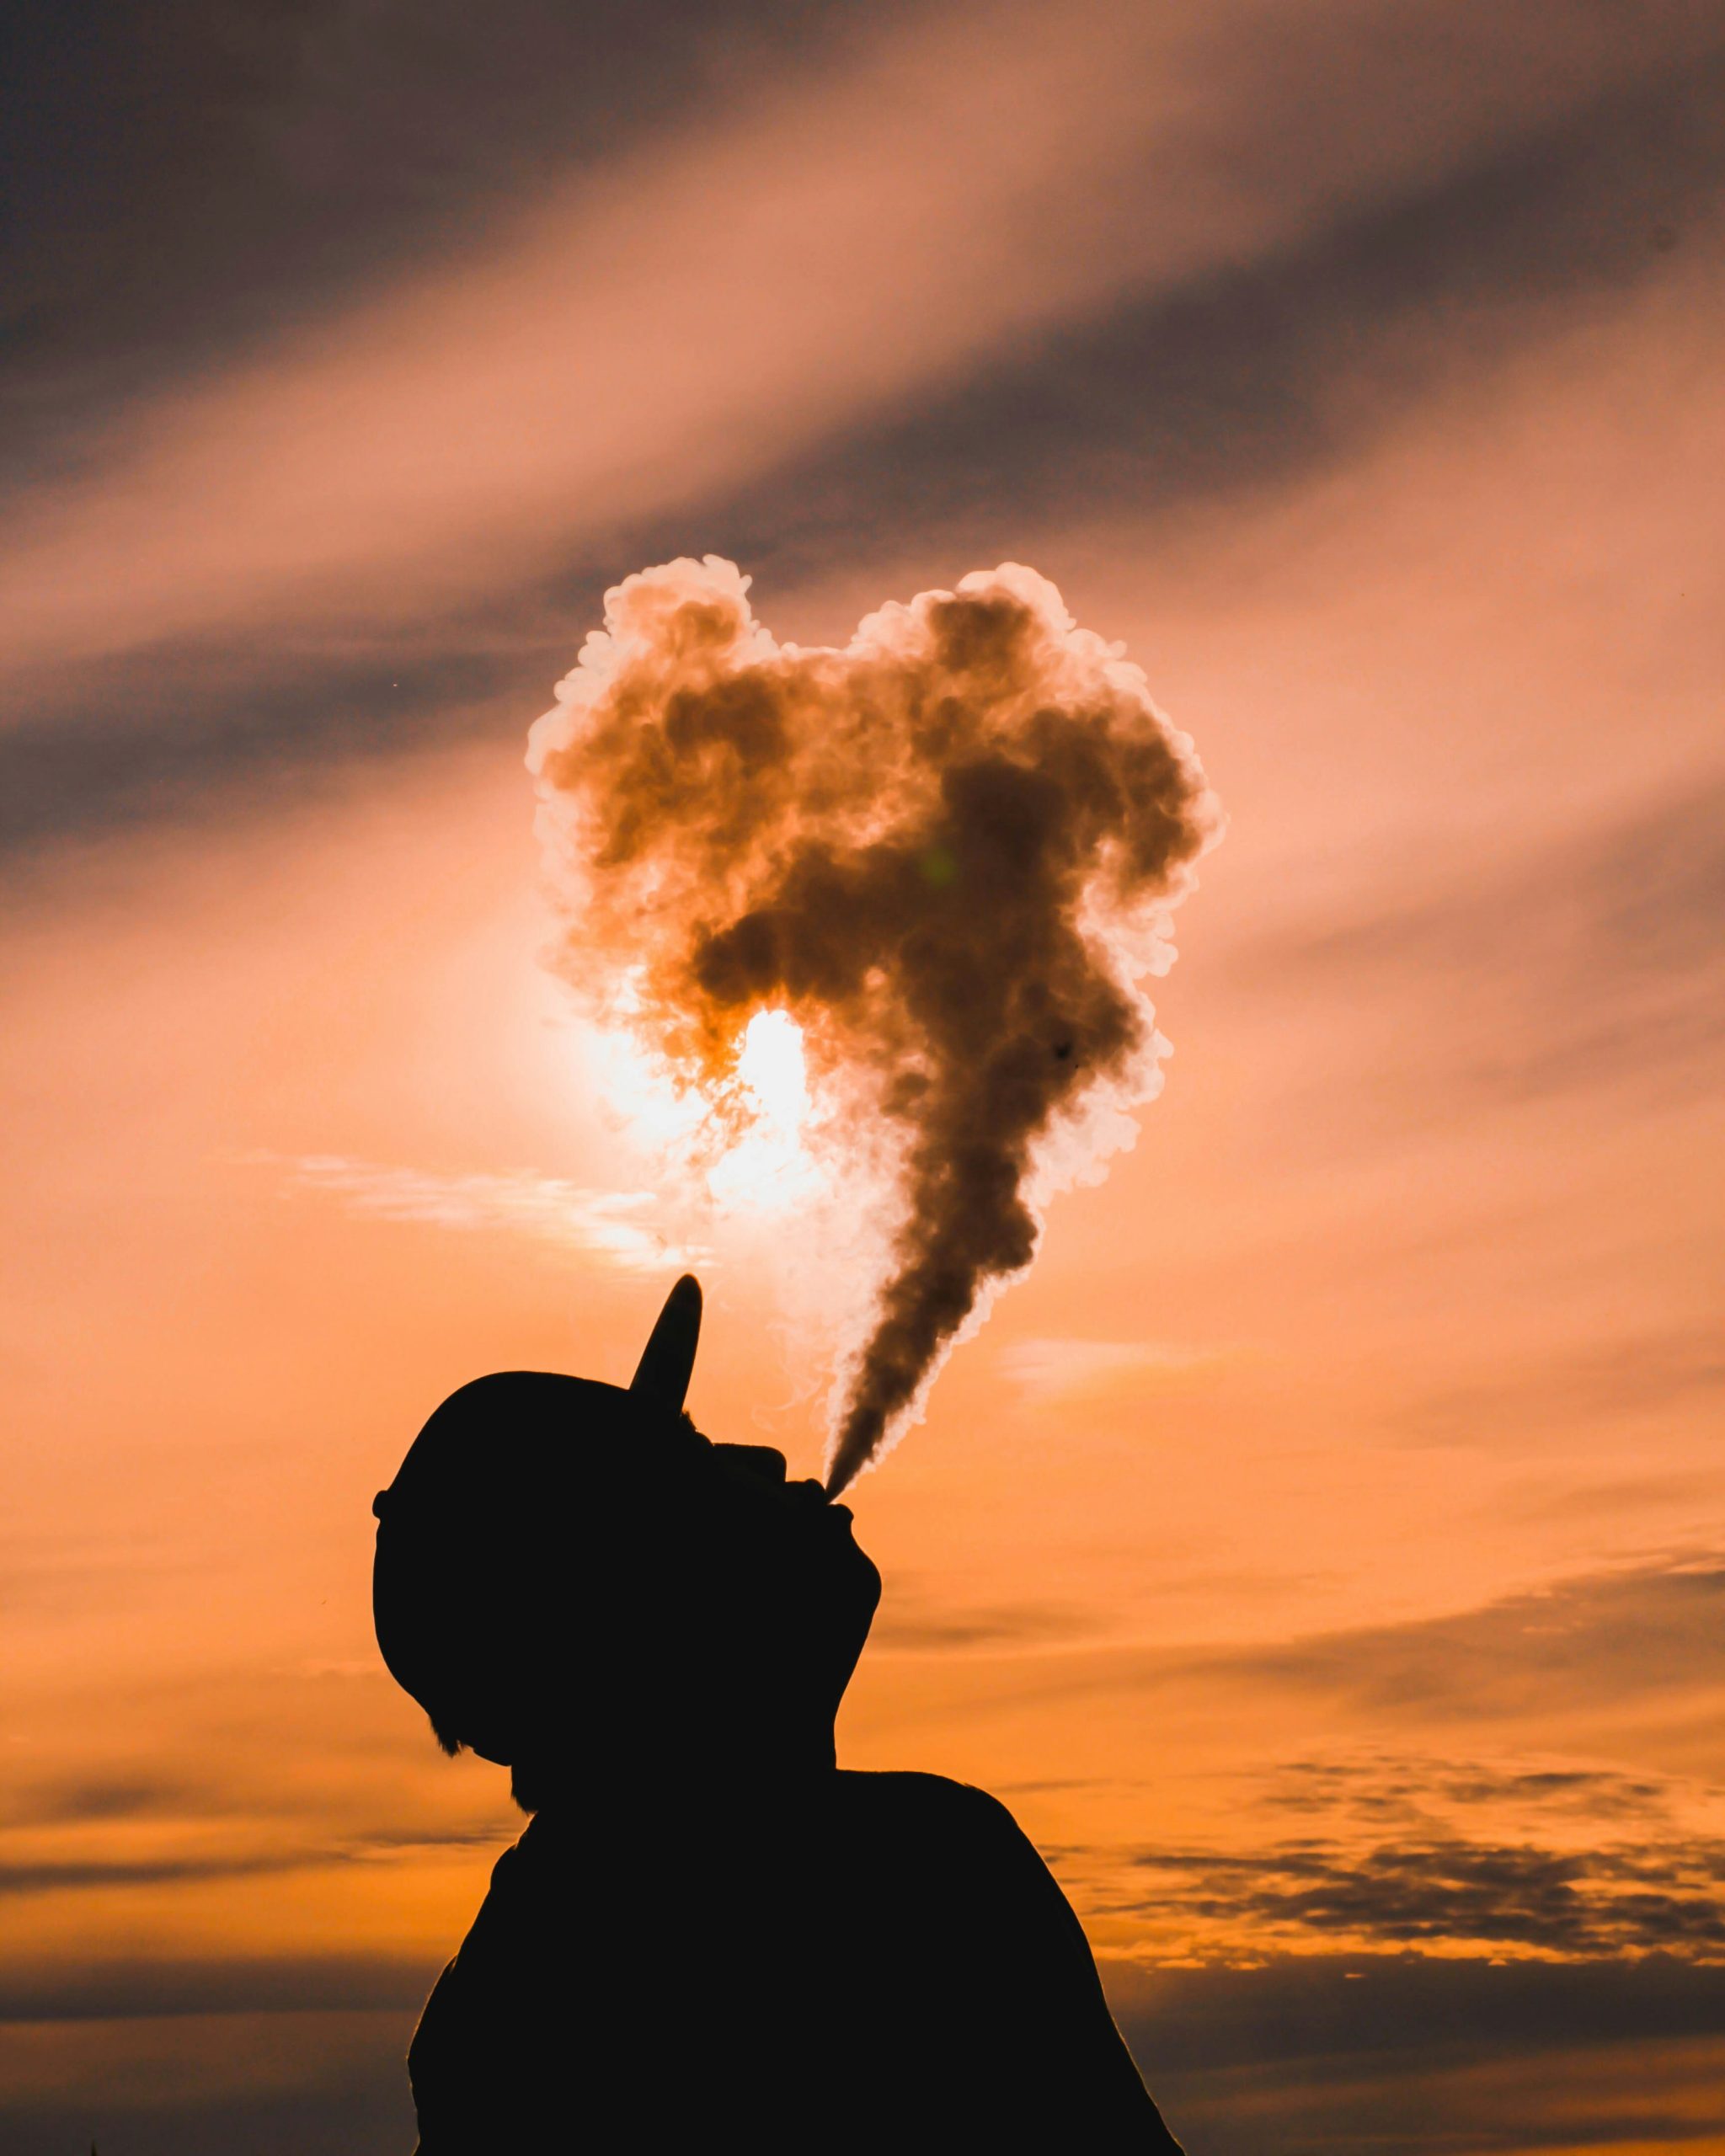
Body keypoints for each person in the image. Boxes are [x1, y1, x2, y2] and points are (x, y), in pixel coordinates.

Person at [373, 1275, 1183, 2148]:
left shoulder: (523, 1985)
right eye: (693, 1467)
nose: (761, 1459)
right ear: (630, 1601)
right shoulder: (924, 1875)